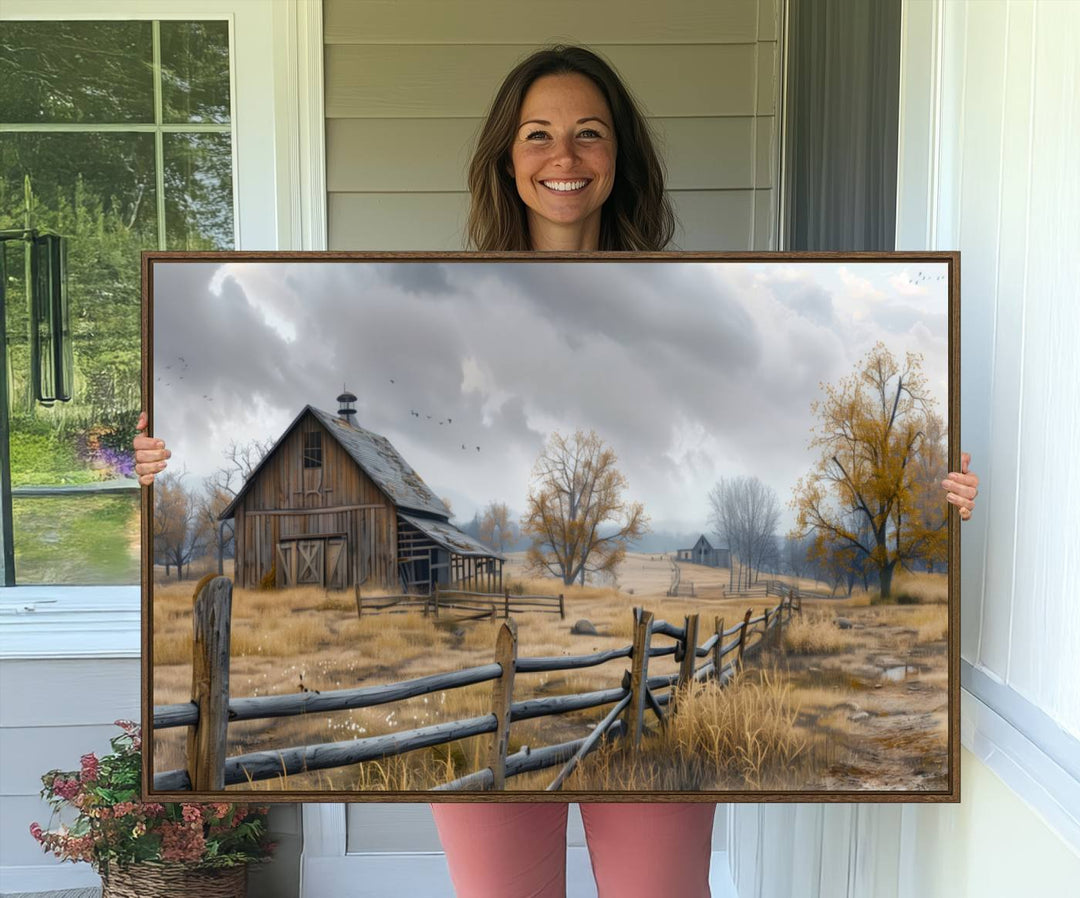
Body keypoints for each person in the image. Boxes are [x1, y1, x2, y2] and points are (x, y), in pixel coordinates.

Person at [134, 45, 979, 898]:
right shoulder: (447, 305)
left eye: (589, 134)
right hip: (473, 711)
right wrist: (168, 464)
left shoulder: (686, 306)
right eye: (538, 135)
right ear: (508, 157)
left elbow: (767, 430)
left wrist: (928, 500)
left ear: (620, 158)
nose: (563, 157)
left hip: (637, 697)